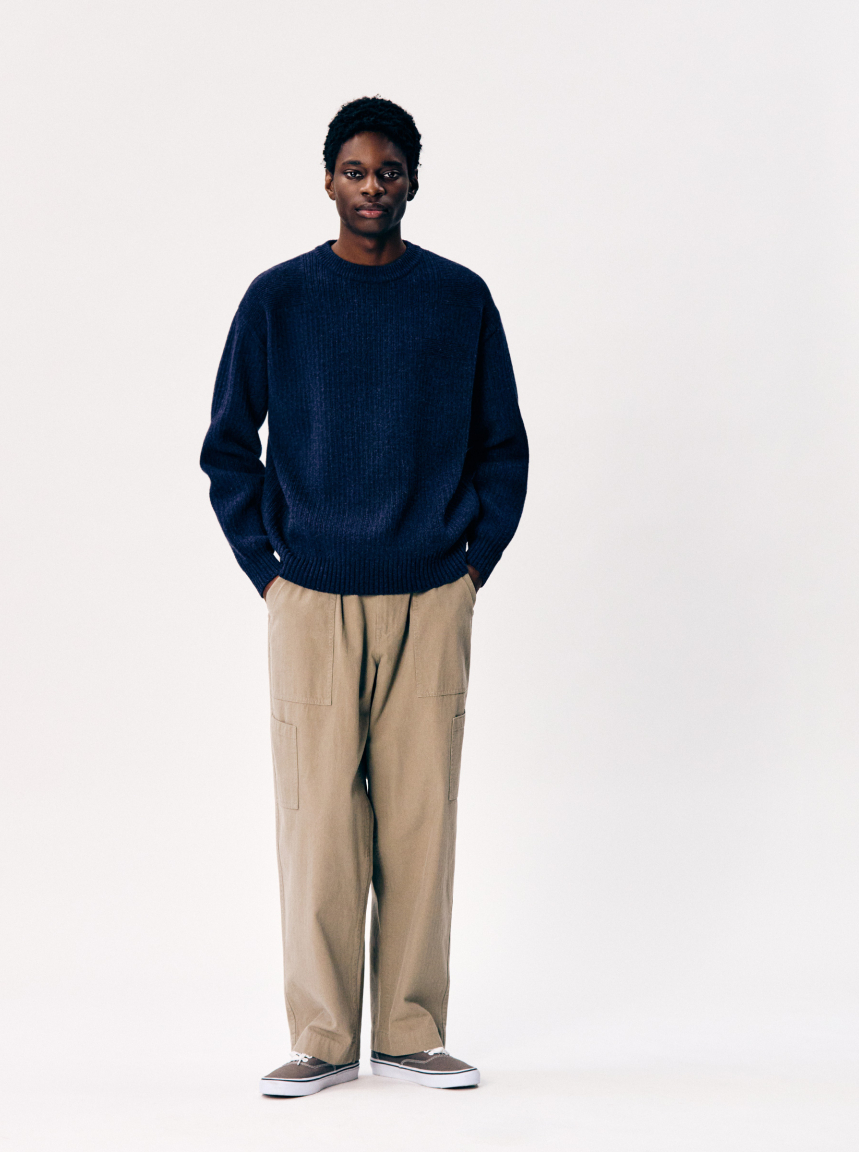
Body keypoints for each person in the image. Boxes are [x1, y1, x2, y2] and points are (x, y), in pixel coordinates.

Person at [200, 96, 528, 1096]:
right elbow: (228, 449)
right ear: (328, 179)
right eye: (355, 169)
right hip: (310, 600)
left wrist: (472, 569)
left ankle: (413, 1033)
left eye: (389, 170)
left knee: (422, 820)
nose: (372, 186)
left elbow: (503, 447)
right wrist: (270, 573)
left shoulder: (459, 300)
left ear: (413, 180)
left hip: (431, 595)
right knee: (317, 825)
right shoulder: (279, 300)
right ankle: (324, 1040)